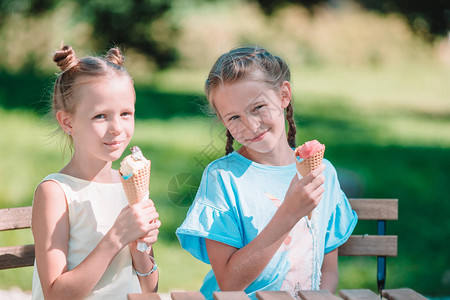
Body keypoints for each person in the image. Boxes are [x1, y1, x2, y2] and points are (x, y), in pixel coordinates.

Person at [176, 46, 358, 299]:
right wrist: (288, 213)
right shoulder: (223, 178)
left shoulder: (322, 173)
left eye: (258, 107)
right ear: (222, 120)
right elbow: (229, 284)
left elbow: (328, 271)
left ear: (284, 95)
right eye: (234, 118)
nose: (251, 125)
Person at [31, 45, 161, 299]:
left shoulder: (128, 183)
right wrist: (116, 238)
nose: (116, 128)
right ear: (68, 122)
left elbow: (149, 288)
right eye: (101, 116)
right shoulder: (56, 193)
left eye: (126, 114)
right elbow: (55, 294)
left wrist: (139, 249)